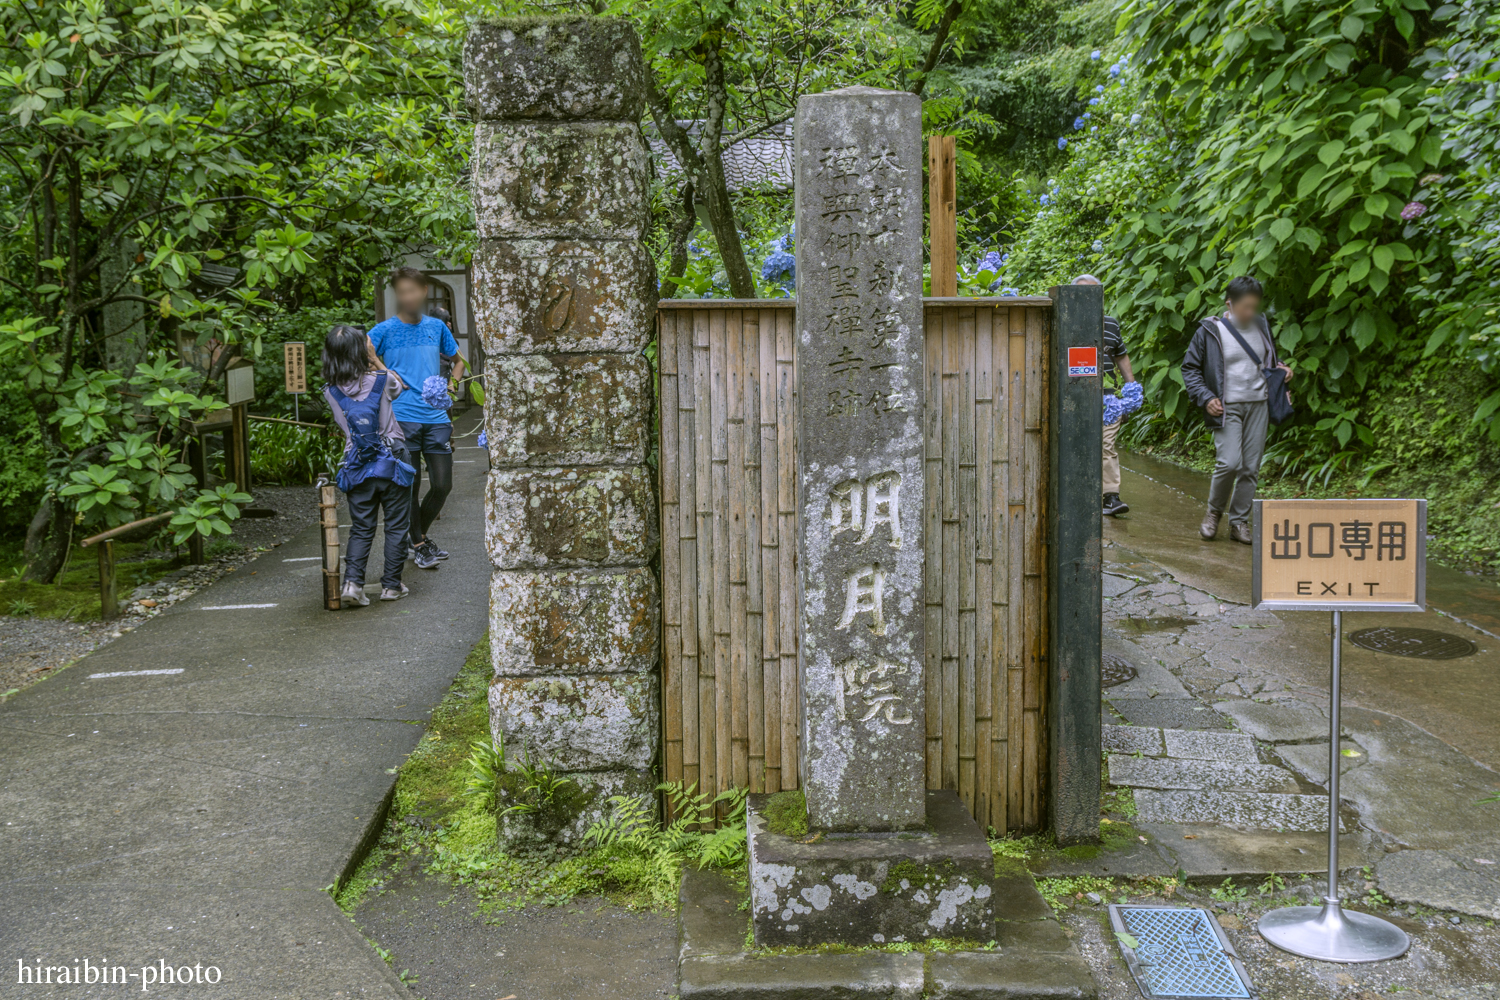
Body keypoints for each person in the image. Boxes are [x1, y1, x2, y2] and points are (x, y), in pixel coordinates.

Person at [1181, 276, 1295, 544]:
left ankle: (1239, 522)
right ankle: (1213, 513)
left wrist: (1282, 368)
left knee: (1250, 467)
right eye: (1245, 306)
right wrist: (1205, 396)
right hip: (1226, 407)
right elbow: (1190, 368)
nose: (1250, 312)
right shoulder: (1210, 331)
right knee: (1229, 462)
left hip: (1259, 404)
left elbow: (1267, 359)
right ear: (1229, 304)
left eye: (1254, 306)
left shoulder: (1261, 325)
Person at [369, 268, 467, 570]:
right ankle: (420, 545)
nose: (408, 296)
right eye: (402, 291)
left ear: (423, 292)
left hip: (436, 416)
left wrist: (451, 386)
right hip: (401, 418)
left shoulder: (437, 327)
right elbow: (362, 351)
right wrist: (382, 368)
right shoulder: (385, 329)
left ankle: (418, 537)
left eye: (413, 290)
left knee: (442, 485)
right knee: (409, 485)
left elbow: (459, 361)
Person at [322, 325, 414, 605]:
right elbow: (401, 387)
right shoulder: (381, 379)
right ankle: (390, 587)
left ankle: (352, 584)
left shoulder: (329, 391)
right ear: (362, 350)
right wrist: (374, 359)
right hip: (392, 458)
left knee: (362, 527)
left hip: (356, 462)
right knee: (397, 525)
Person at [1072, 274, 1135, 516]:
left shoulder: (1111, 324)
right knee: (1078, 444)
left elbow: (1121, 354)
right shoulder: (1067, 320)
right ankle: (1079, 492)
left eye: (1094, 293)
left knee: (1106, 445)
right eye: (1082, 294)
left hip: (1108, 398)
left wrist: (1131, 388)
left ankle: (1111, 497)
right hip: (1075, 396)